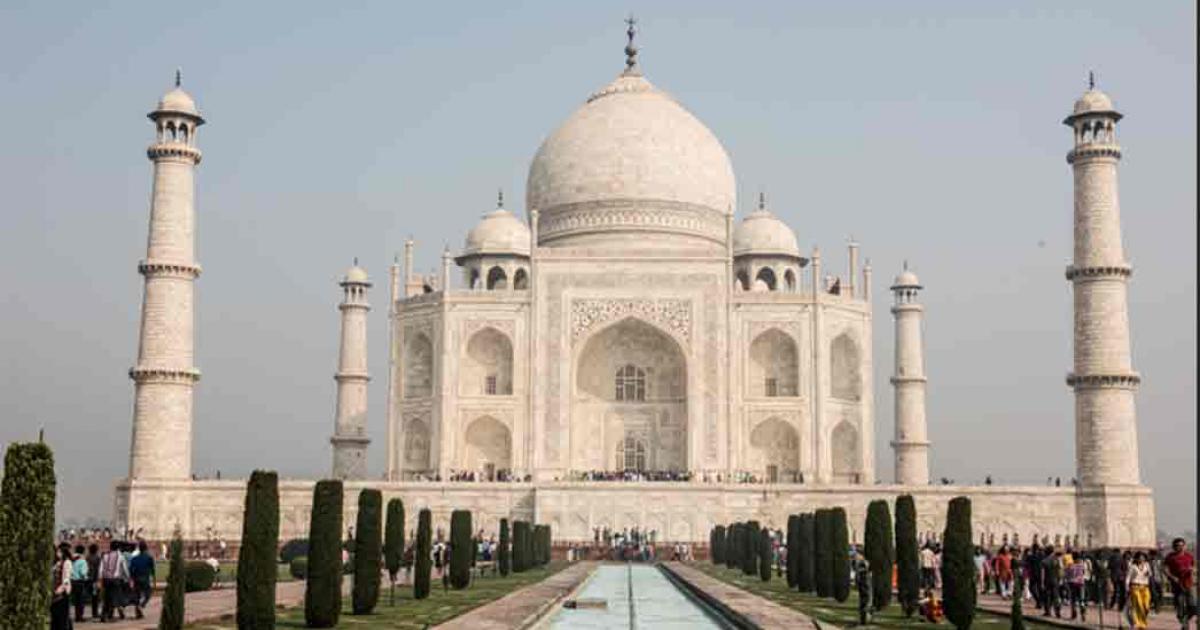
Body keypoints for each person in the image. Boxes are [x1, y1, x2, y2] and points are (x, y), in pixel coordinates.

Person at [1164, 537, 1197, 628]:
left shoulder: (1189, 556)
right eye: (1178, 546)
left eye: (1182, 545)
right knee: (1180, 606)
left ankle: (1186, 620)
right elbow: (1165, 569)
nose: (1181, 547)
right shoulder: (1170, 557)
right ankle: (1183, 622)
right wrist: (1172, 577)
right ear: (1174, 547)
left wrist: (1192, 571)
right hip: (1177, 585)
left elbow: (1193, 567)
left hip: (1189, 584)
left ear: (1185, 546)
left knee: (1193, 606)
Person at [98, 540, 129, 621]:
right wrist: (128, 578)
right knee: (116, 597)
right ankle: (115, 613)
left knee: (107, 598)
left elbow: (101, 568)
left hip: (106, 579)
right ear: (118, 547)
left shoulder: (105, 555)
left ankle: (105, 615)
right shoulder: (120, 556)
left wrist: (100, 578)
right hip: (116, 579)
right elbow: (125, 569)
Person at [128, 540, 156, 618]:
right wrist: (154, 580)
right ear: (146, 548)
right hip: (145, 578)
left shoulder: (134, 558)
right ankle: (142, 605)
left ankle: (138, 613)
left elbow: (130, 569)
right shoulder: (149, 558)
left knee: (137, 595)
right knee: (148, 593)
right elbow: (153, 570)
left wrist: (131, 578)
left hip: (136, 578)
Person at [1127, 551, 1153, 629]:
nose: (1141, 559)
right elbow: (1128, 578)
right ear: (1136, 558)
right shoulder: (1133, 566)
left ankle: (1142, 621)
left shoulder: (1147, 565)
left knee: (1146, 605)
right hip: (1135, 587)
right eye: (1139, 558)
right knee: (1138, 604)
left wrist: (1148, 573)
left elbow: (1150, 574)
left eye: (1143, 558)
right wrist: (1127, 588)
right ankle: (1139, 623)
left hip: (1145, 587)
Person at [51, 543, 73, 630]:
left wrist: (59, 590)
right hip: (54, 594)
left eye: (58, 552)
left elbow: (66, 579)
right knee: (56, 618)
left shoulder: (66, 562)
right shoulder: (56, 563)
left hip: (62, 594)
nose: (57, 553)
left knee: (62, 618)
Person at [1065, 549, 1088, 621]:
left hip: (1072, 583)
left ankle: (1074, 614)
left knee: (1073, 600)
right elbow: (1084, 573)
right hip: (1081, 583)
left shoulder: (1070, 565)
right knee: (1081, 599)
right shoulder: (1082, 564)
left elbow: (1067, 575)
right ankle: (1083, 612)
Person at [70, 543, 90, 623]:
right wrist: (86, 577)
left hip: (72, 581)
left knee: (73, 600)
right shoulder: (82, 561)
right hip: (80, 582)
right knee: (80, 601)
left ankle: (73, 616)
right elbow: (83, 573)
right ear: (83, 551)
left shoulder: (71, 559)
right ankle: (79, 616)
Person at [1041, 546, 1062, 618]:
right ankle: (1057, 611)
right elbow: (1059, 570)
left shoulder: (1044, 561)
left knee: (1047, 596)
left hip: (1047, 580)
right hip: (1055, 580)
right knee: (1056, 596)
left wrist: (1042, 583)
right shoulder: (1056, 560)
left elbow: (1042, 573)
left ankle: (1048, 611)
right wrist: (1060, 579)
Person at [854, 551, 873, 625]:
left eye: (857, 555)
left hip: (865, 584)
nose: (856, 557)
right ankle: (864, 619)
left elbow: (867, 572)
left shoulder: (863, 563)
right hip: (863, 584)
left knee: (865, 601)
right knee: (864, 602)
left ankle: (865, 619)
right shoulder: (861, 563)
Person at [86, 543, 102, 620]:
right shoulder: (97, 558)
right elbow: (99, 569)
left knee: (93, 596)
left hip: (89, 579)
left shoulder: (87, 557)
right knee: (95, 596)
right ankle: (95, 613)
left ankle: (94, 612)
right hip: (95, 579)